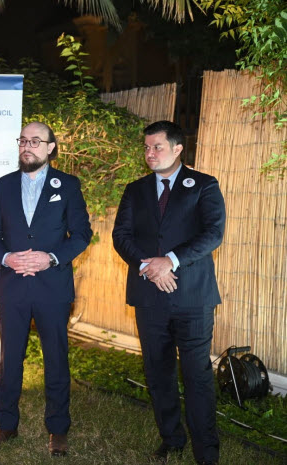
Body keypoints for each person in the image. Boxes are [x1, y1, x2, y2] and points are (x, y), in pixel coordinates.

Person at [112, 121, 225, 465]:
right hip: (149, 296)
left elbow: (213, 233)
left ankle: (206, 452)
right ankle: (172, 439)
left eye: (157, 147)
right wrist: (149, 266)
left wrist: (170, 261)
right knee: (158, 372)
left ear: (177, 149)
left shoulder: (203, 185)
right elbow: (121, 236)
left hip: (192, 297)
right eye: (146, 147)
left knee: (196, 376)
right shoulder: (135, 190)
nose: (150, 153)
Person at [0, 121, 92, 457]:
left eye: (35, 141)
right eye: (23, 141)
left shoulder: (68, 185)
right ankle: (5, 425)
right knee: (10, 358)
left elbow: (82, 234)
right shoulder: (3, 185)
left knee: (56, 359)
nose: (27, 147)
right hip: (12, 285)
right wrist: (7, 258)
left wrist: (51, 258)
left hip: (52, 286)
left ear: (50, 147)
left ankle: (58, 430)